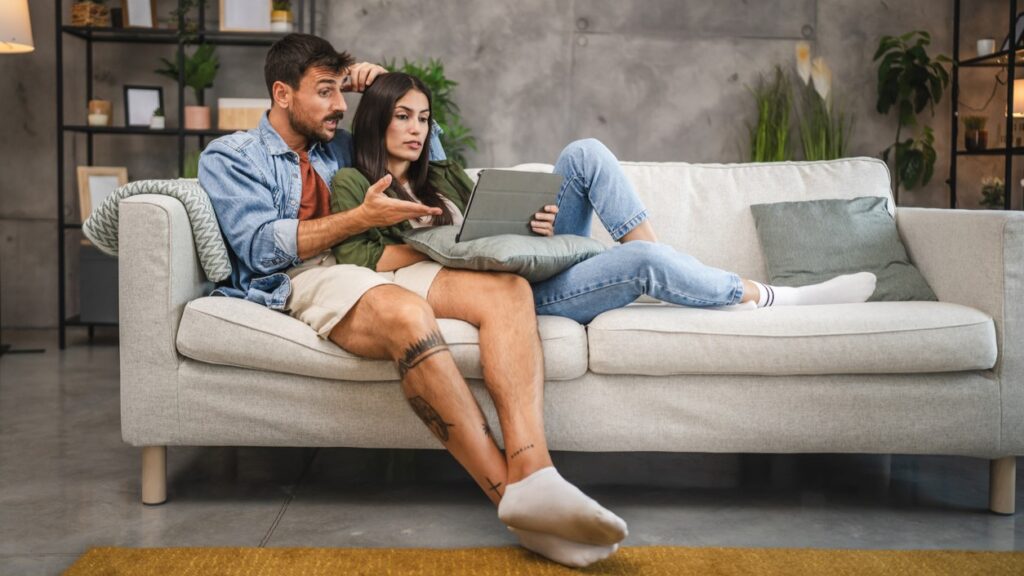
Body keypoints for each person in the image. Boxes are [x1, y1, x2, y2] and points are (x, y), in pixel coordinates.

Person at [199, 34, 626, 568]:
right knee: (406, 314)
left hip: (378, 255)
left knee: (508, 289)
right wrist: (358, 220)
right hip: (304, 276)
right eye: (325, 91)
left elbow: (421, 143)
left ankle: (536, 472)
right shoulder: (231, 156)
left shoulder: (339, 142)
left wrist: (382, 85)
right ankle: (511, 502)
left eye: (341, 91)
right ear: (282, 94)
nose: (339, 105)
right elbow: (260, 249)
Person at [330, 73, 877, 328]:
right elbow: (360, 258)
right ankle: (772, 297)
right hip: (514, 291)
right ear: (376, 120)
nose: (418, 129)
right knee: (643, 264)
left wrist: (534, 226)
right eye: (401, 116)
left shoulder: (442, 174)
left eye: (423, 118)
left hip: (531, 258)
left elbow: (493, 228)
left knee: (584, 151)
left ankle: (667, 270)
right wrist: (443, 243)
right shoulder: (356, 182)